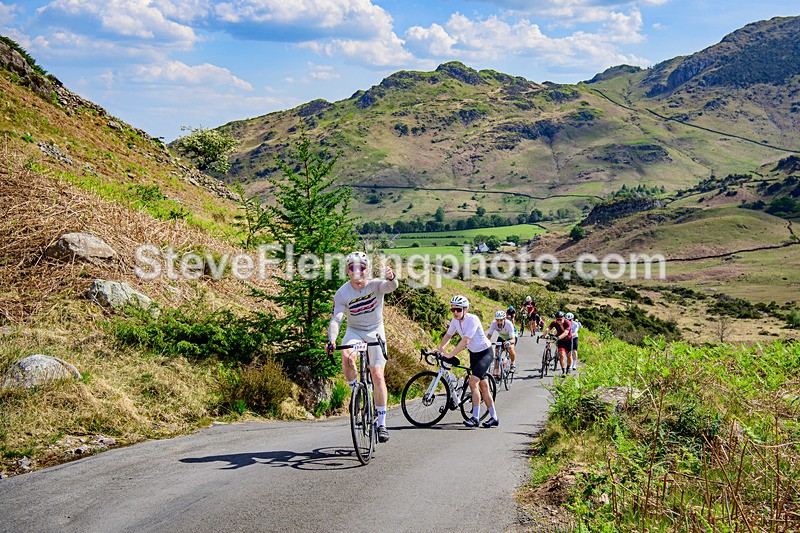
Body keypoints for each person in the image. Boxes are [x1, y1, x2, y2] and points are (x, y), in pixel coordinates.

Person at [327, 251, 398, 443]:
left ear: (366, 270)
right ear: (348, 271)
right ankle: (355, 391)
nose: (357, 271)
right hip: (355, 331)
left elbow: (390, 286)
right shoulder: (342, 293)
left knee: (377, 374)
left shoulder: (375, 285)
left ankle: (382, 424)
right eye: (353, 268)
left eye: (362, 267)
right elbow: (337, 318)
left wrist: (391, 277)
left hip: (375, 331)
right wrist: (332, 339)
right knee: (347, 355)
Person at [436, 295, 499, 428]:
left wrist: (451, 354)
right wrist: (440, 349)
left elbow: (466, 341)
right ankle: (494, 417)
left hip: (485, 353)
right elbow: (448, 335)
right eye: (452, 310)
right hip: (473, 354)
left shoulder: (473, 319)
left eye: (458, 310)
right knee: (484, 387)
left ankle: (475, 418)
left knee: (473, 382)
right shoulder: (455, 320)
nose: (455, 313)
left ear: (466, 309)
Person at [546, 311, 573, 375]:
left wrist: (558, 338)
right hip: (561, 341)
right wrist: (544, 335)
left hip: (568, 340)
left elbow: (566, 333)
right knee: (561, 355)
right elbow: (548, 329)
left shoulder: (567, 322)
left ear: (564, 318)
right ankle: (563, 371)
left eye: (560, 319)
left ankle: (568, 368)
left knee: (569, 356)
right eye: (557, 319)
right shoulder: (554, 323)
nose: (559, 321)